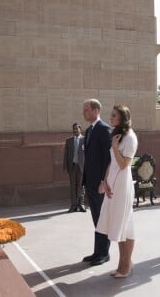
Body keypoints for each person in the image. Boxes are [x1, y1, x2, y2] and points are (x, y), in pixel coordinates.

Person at [96, 105, 138, 278]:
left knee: (125, 226)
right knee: (119, 226)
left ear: (122, 118)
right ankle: (124, 263)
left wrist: (114, 147)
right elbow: (111, 163)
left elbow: (123, 164)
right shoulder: (117, 135)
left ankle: (126, 265)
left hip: (122, 186)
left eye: (114, 115)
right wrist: (105, 182)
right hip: (112, 185)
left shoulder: (130, 138)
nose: (111, 118)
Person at [82, 99, 111, 266]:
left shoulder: (103, 129)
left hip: (100, 185)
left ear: (95, 110)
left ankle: (104, 253)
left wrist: (103, 181)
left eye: (86, 110)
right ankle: (97, 252)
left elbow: (109, 159)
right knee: (96, 219)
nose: (83, 113)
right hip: (90, 183)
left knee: (102, 219)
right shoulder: (89, 130)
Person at [63, 122, 86, 213]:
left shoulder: (85, 140)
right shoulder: (68, 141)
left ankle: (81, 204)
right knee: (73, 186)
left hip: (82, 166)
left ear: (80, 129)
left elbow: (88, 154)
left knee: (81, 185)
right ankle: (73, 205)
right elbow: (66, 154)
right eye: (73, 129)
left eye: (76, 128)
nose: (74, 130)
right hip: (72, 166)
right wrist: (65, 166)